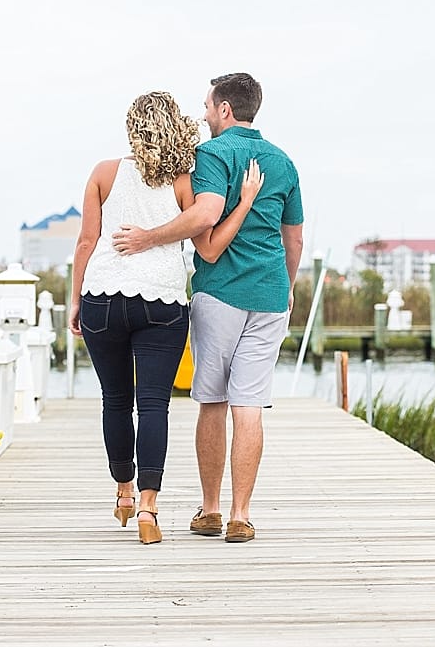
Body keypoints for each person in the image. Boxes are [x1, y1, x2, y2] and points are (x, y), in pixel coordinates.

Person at [113, 72, 303, 543]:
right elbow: (293, 237)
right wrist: (289, 286)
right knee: (251, 404)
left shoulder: (213, 155)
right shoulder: (284, 162)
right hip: (271, 296)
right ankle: (242, 514)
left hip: (220, 293)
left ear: (224, 109)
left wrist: (147, 239)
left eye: (206, 105)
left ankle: (212, 510)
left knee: (213, 402)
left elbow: (205, 218)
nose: (202, 114)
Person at [70, 91, 263, 545]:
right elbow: (201, 225)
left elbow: (85, 241)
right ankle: (148, 508)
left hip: (103, 294)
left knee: (115, 400)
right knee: (153, 404)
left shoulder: (103, 173)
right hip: (162, 301)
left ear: (132, 128)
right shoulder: (183, 180)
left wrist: (77, 299)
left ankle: (122, 491)